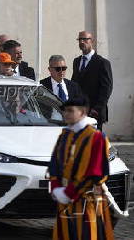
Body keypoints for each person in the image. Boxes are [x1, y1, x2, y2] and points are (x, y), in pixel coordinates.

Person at [49, 96, 113, 240]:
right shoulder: (64, 135)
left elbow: (95, 172)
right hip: (64, 197)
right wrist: (55, 187)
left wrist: (69, 193)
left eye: (71, 111)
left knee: (87, 234)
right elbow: (55, 164)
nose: (66, 114)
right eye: (65, 111)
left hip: (86, 198)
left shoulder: (96, 137)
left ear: (83, 112)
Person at [71, 31, 113, 130]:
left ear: (92, 41)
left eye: (85, 39)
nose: (82, 42)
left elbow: (107, 88)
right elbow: (74, 84)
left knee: (94, 143)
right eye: (80, 39)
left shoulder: (102, 63)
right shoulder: (76, 61)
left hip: (94, 113)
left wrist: (97, 109)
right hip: (79, 112)